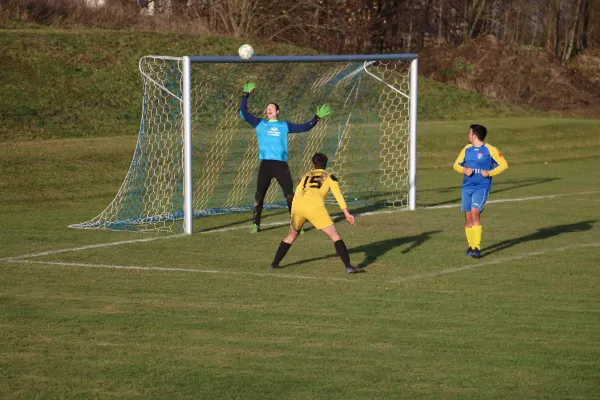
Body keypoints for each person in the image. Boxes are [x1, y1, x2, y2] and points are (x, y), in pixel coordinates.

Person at [240, 82, 331, 233]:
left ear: (277, 111)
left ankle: (296, 224)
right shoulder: (260, 124)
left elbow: (305, 127)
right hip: (266, 165)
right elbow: (243, 112)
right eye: (267, 108)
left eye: (271, 108)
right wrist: (245, 95)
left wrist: (316, 118)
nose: (268, 109)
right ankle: (256, 224)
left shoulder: (284, 125)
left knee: (290, 195)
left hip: (281, 165)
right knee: (259, 194)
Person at [269, 152, 365, 274]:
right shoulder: (329, 177)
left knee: (292, 235)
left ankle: (274, 264)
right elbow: (338, 196)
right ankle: (348, 266)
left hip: (297, 206)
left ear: (313, 164)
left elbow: (297, 191)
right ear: (326, 163)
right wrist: (347, 213)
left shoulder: (305, 176)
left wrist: (295, 209)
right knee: (335, 236)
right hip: (314, 207)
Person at [453, 124, 508, 258]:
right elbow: (456, 165)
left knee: (475, 213)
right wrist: (464, 170)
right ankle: (470, 246)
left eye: (469, 133)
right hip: (467, 187)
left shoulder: (491, 149)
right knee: (468, 218)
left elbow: (504, 165)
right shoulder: (467, 149)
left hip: (482, 187)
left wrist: (489, 173)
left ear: (474, 136)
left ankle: (477, 248)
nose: (468, 136)